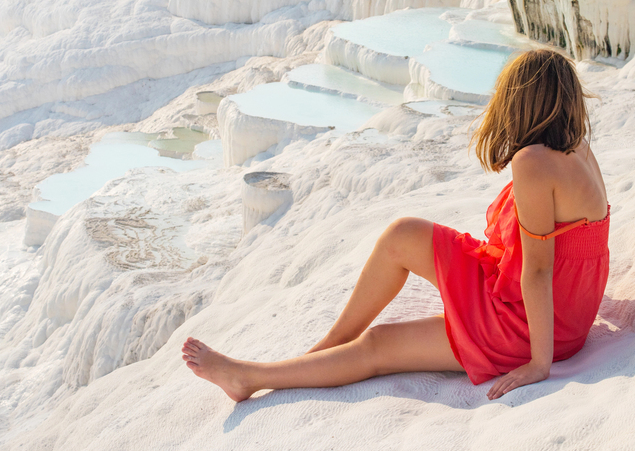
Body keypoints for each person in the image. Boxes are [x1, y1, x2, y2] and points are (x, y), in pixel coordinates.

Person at [182, 48, 609, 401]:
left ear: (518, 103)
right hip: (542, 302)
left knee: (380, 345)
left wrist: (539, 364)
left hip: (531, 326)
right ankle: (326, 351)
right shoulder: (576, 148)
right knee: (401, 235)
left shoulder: (534, 162)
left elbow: (537, 270)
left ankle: (250, 378)